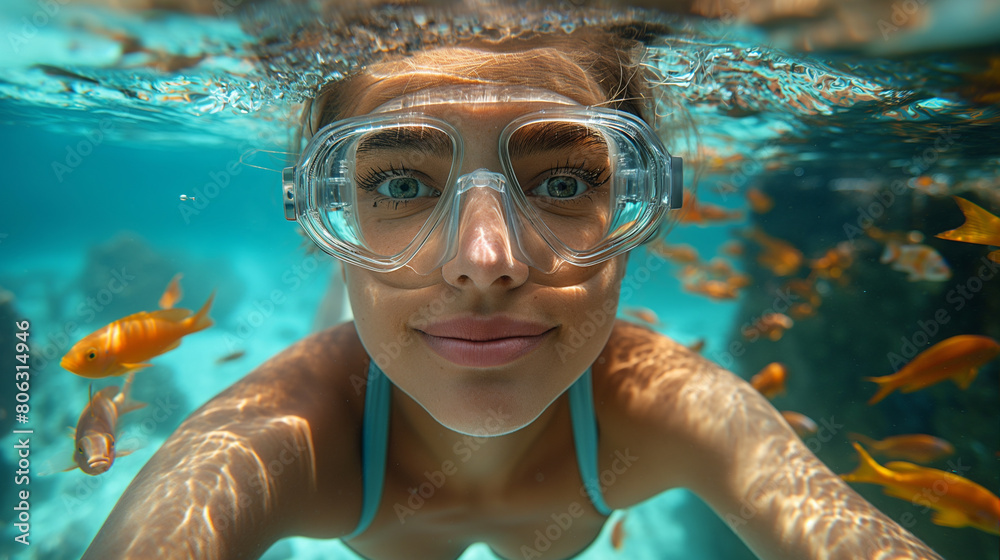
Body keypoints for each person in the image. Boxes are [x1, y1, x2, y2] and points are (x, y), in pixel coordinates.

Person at [82, 10, 944, 560]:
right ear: (319, 212)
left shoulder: (667, 408)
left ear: (642, 201)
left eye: (563, 183)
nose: (486, 257)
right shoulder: (281, 433)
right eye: (399, 183)